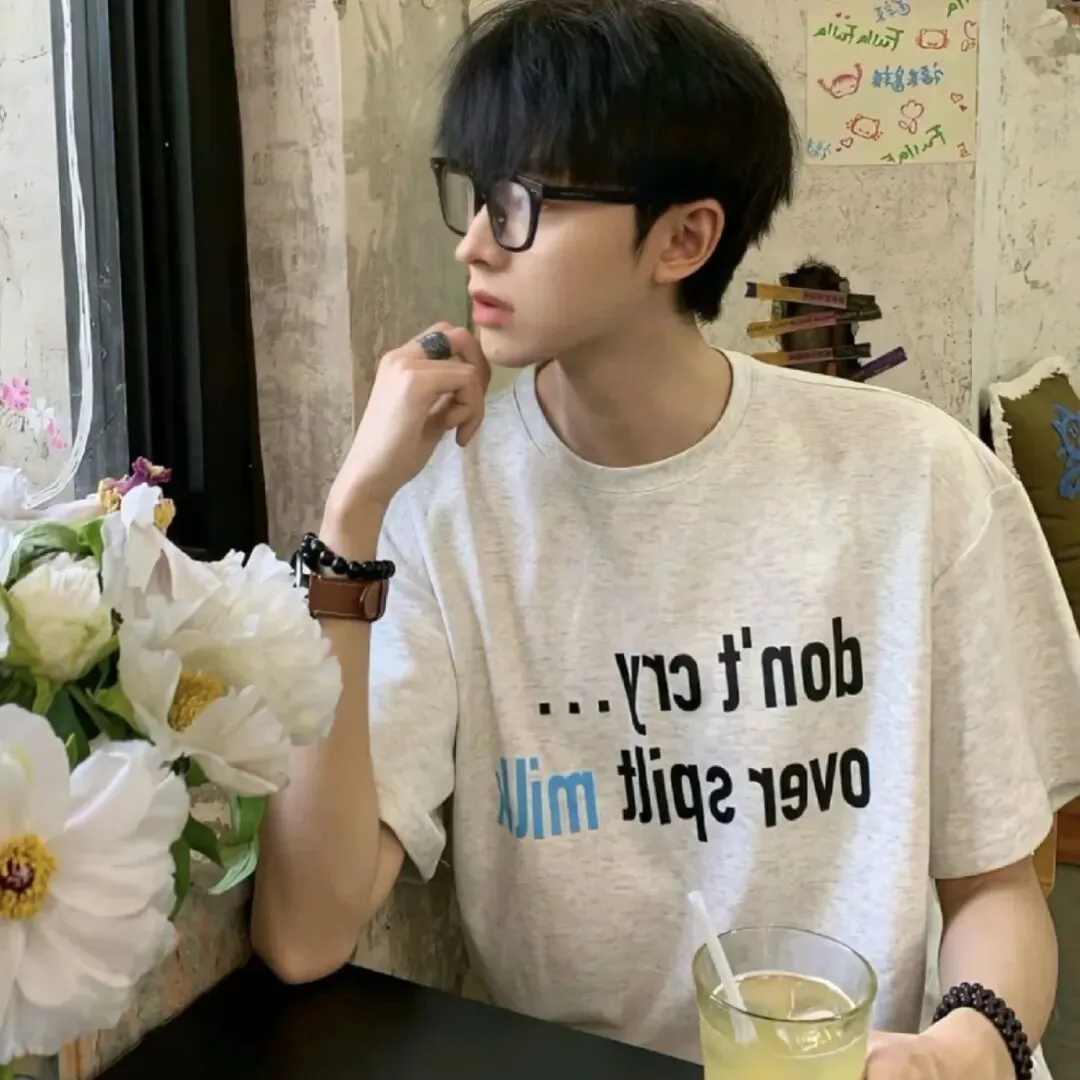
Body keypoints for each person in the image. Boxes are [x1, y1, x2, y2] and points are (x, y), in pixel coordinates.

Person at [251, 1, 1080, 1075]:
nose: (473, 242)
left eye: (523, 202)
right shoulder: (441, 510)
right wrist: (351, 515)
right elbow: (303, 933)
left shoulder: (919, 481)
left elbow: (998, 886)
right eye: (476, 193)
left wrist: (969, 1045)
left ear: (684, 239)